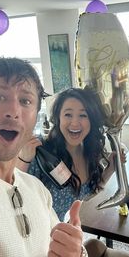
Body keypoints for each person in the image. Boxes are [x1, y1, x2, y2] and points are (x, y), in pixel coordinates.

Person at [0, 55, 85, 257]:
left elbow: (57, 256)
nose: (13, 111)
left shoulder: (37, 189)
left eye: (25, 101)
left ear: (35, 119)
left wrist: (77, 256)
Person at [18, 88, 117, 221]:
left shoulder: (89, 152)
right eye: (68, 115)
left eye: (83, 115)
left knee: (96, 243)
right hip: (34, 233)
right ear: (58, 118)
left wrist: (110, 170)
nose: (75, 123)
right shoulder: (40, 151)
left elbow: (86, 196)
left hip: (59, 232)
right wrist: (23, 160)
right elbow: (15, 197)